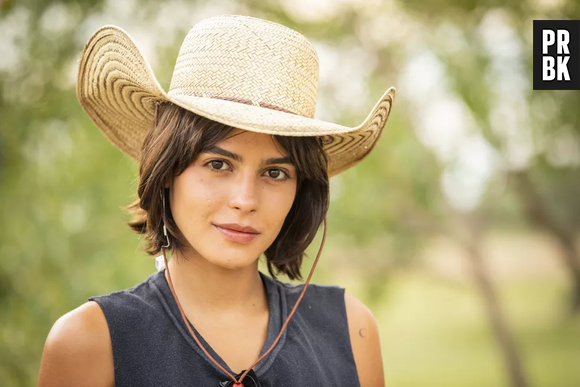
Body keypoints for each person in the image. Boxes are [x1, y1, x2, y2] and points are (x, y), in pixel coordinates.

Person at [38, 14, 395, 387]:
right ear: (166, 171)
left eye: (275, 173)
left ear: (301, 190)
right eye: (218, 164)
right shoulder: (91, 342)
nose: (245, 200)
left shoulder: (352, 332)